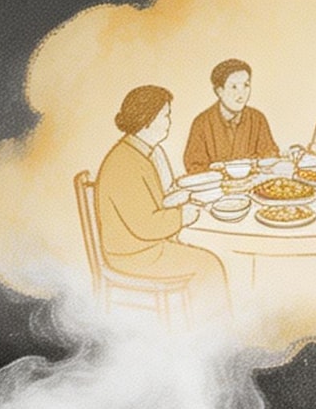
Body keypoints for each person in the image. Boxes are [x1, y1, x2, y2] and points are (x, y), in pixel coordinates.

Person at [94, 85, 228, 320]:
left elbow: (150, 206)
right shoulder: (125, 163)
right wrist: (182, 215)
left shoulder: (138, 153)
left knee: (210, 255)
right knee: (210, 266)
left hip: (142, 248)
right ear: (147, 120)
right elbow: (146, 225)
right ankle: (211, 336)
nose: (169, 122)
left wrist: (179, 202)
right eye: (165, 116)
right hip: (135, 256)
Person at [181, 59, 279, 174]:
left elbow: (270, 155)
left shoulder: (257, 118)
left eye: (246, 85)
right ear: (219, 91)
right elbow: (193, 166)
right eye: (234, 87)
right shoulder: (202, 123)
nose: (241, 94)